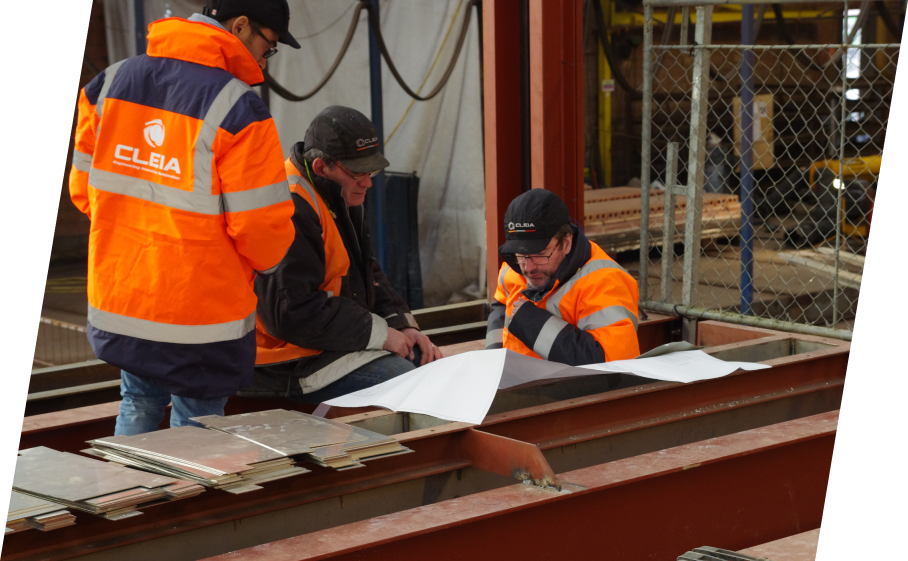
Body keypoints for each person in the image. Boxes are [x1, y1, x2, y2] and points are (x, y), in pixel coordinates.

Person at [69, 0, 302, 436]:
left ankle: (129, 501)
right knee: (197, 429)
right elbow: (260, 228)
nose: (263, 63)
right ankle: (184, 505)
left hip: (124, 301)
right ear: (240, 26)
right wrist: (266, 266)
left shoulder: (111, 82)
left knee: (137, 402)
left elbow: (84, 192)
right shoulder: (239, 110)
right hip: (200, 318)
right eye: (268, 47)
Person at [241, 106, 444, 404]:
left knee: (424, 365)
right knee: (409, 384)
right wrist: (381, 334)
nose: (369, 182)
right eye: (359, 172)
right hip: (282, 362)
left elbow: (366, 272)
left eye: (372, 170)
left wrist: (401, 324)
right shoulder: (289, 208)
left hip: (320, 344)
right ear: (323, 167)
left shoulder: (337, 191)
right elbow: (291, 313)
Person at [486, 189, 640, 365]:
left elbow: (612, 364)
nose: (528, 267)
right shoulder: (514, 266)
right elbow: (500, 305)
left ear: (566, 243)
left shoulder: (606, 282)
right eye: (520, 254)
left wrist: (531, 324)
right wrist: (493, 359)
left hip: (566, 390)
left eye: (539, 253)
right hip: (516, 381)